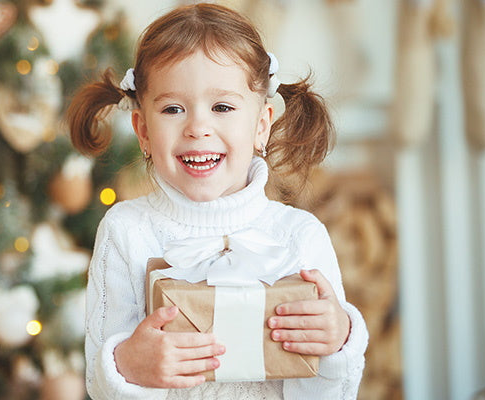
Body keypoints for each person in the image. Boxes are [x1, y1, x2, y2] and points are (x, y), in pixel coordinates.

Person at [66, 3, 367, 399]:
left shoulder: (299, 236)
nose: (198, 128)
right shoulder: (127, 231)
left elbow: (333, 393)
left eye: (222, 107)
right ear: (142, 131)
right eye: (173, 109)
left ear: (261, 124)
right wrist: (128, 365)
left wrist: (339, 339)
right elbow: (100, 384)